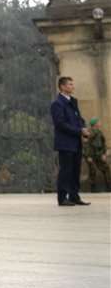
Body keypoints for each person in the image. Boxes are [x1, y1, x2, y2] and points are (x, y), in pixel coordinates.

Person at [50, 76, 90, 206]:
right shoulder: (57, 103)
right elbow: (60, 124)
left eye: (73, 84)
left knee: (75, 170)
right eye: (70, 84)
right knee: (65, 171)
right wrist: (79, 131)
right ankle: (62, 198)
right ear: (62, 87)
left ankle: (74, 196)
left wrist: (83, 127)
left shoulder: (73, 101)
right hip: (65, 143)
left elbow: (78, 118)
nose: (73, 86)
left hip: (76, 142)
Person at [84, 119, 109, 193]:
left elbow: (103, 143)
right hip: (91, 155)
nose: (100, 123)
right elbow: (86, 145)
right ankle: (93, 188)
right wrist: (88, 156)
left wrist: (104, 153)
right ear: (95, 124)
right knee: (93, 170)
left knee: (106, 168)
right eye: (98, 122)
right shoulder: (89, 132)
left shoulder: (100, 132)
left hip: (99, 155)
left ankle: (109, 186)